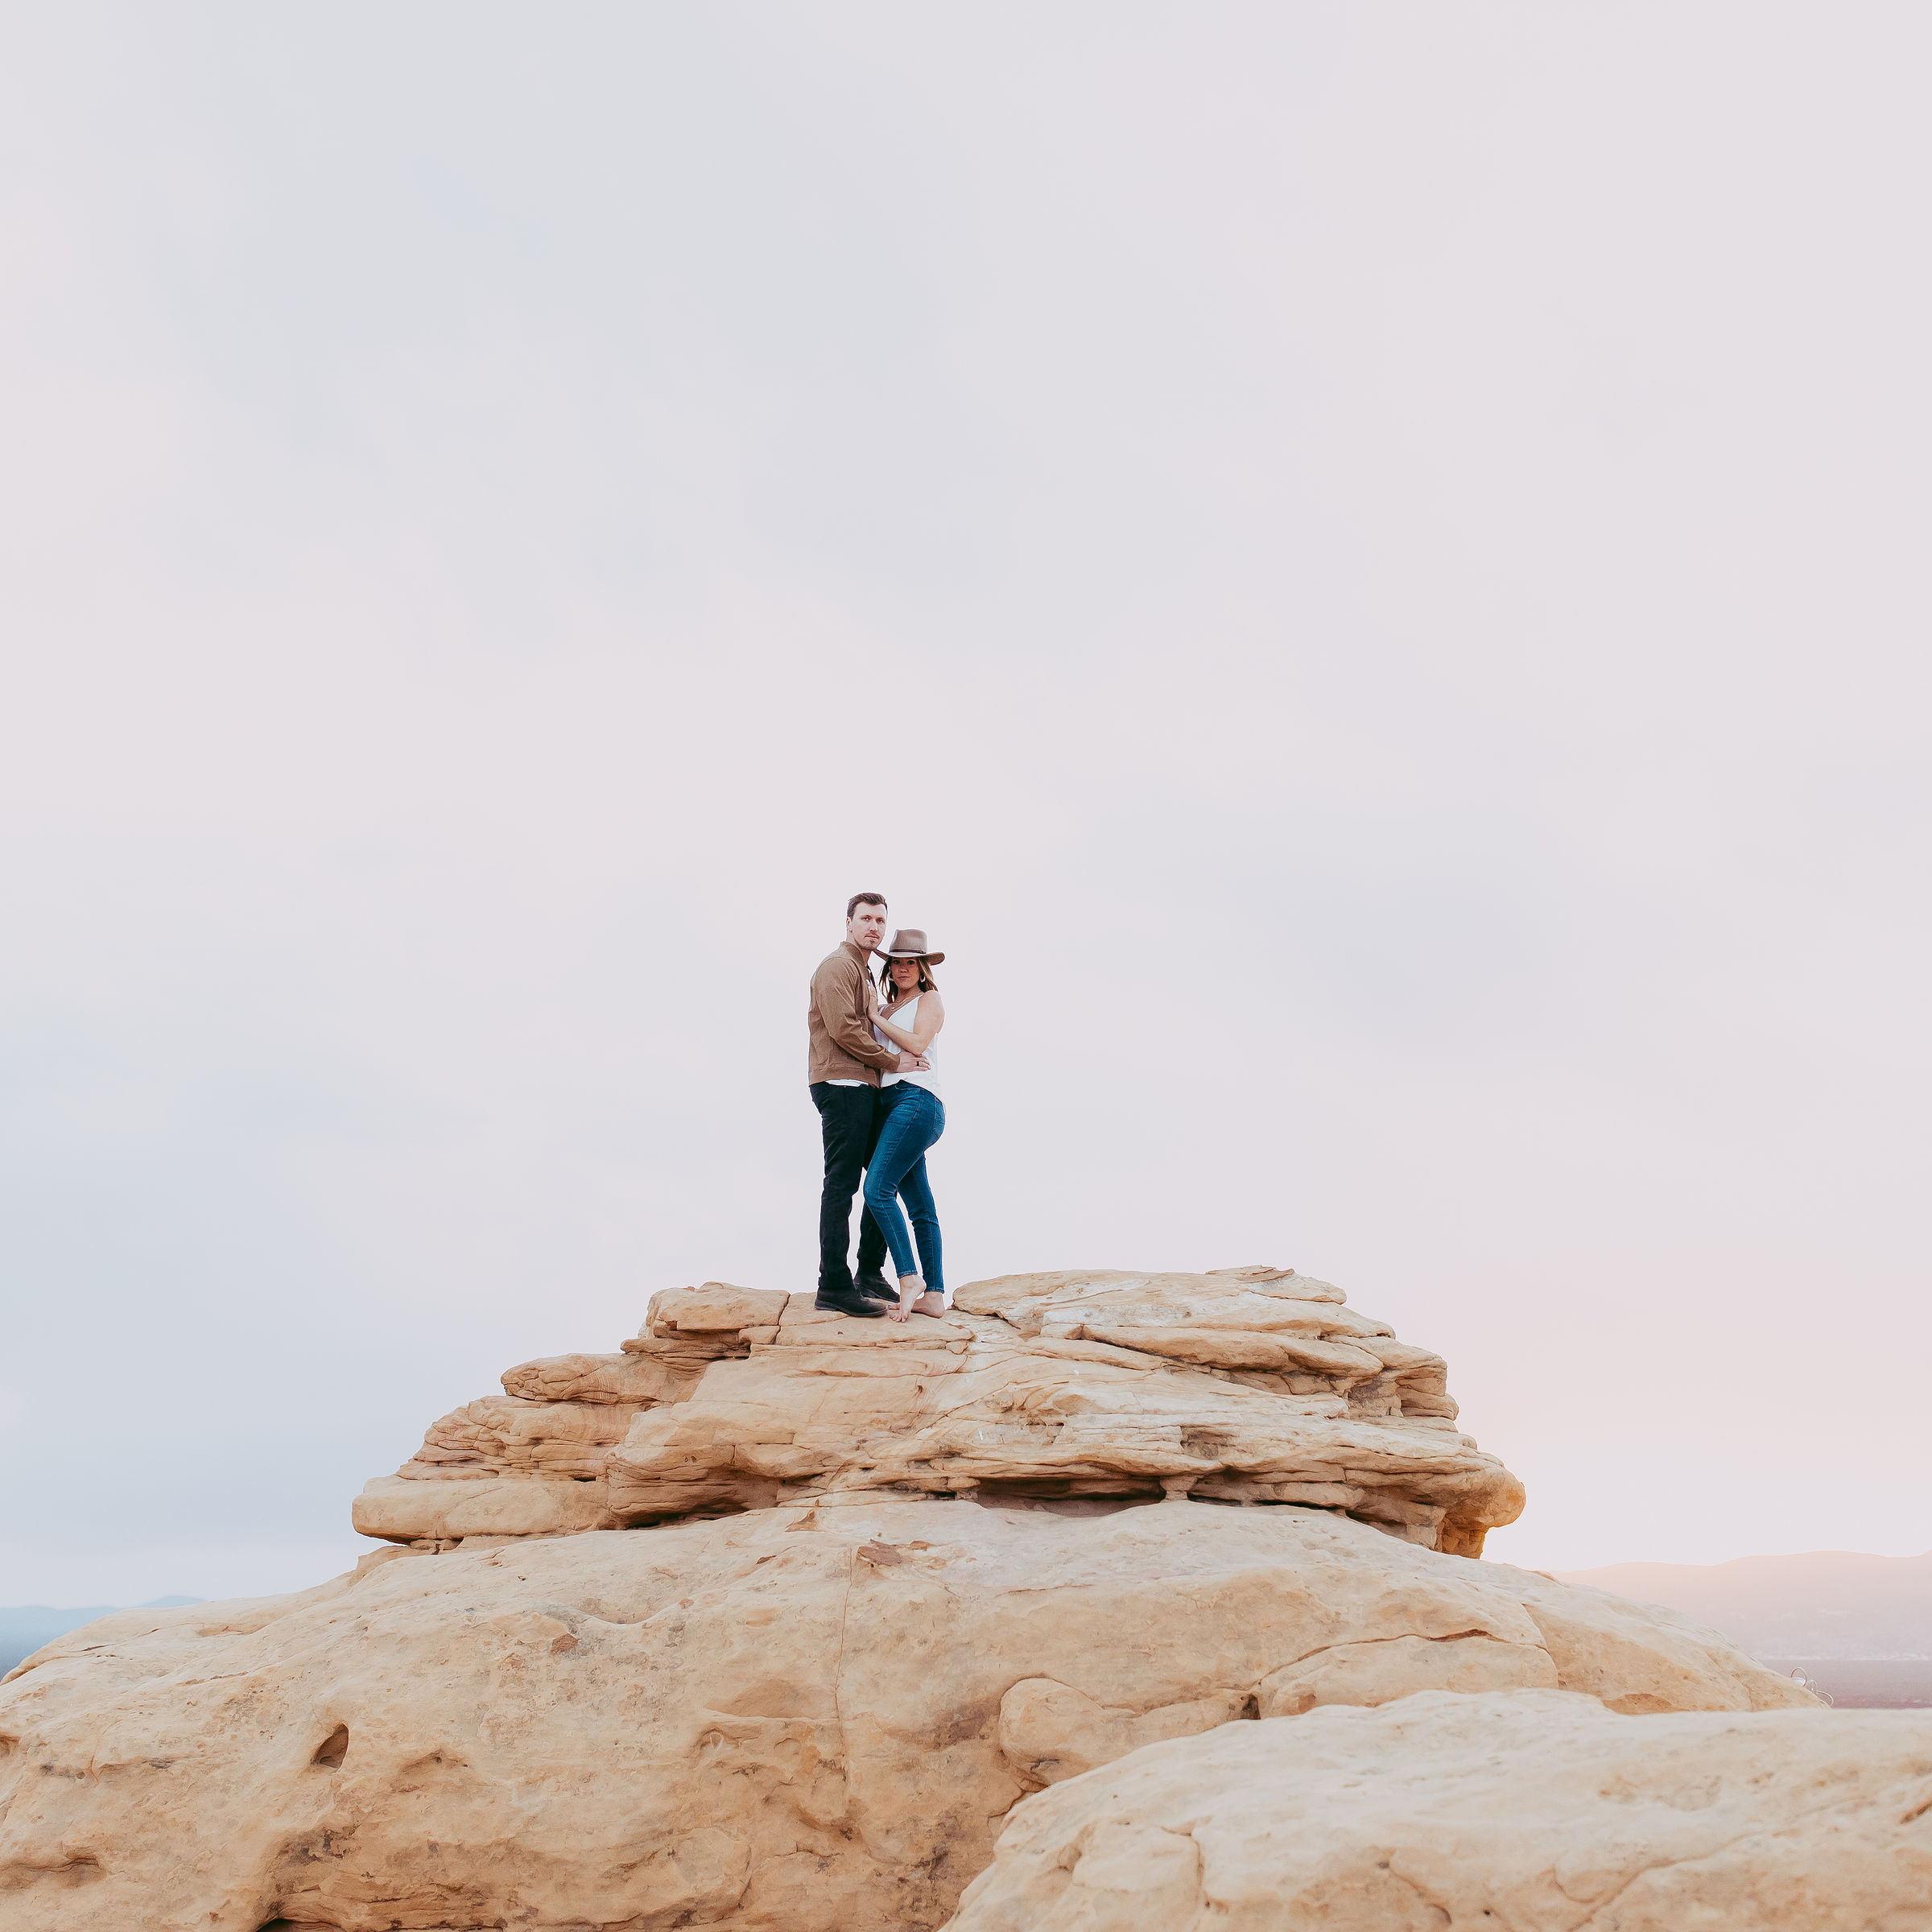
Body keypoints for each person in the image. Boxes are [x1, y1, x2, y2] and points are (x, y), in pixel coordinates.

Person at [807, 893, 928, 1317]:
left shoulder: (865, 971)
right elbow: (843, 1030)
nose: (874, 927)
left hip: (863, 1087)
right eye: (866, 919)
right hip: (841, 1084)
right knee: (842, 1185)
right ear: (848, 923)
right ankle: (833, 1284)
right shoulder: (837, 967)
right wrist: (895, 1061)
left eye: (880, 920)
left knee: (881, 1177)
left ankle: (869, 1272)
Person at [864, 929, 948, 1323]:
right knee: (920, 1205)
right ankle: (934, 1294)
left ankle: (908, 1276)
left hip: (917, 1101)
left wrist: (875, 1018)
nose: (902, 969)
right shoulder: (884, 1008)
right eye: (896, 962)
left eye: (910, 962)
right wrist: (875, 1016)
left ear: (923, 967)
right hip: (890, 1104)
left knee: (877, 1190)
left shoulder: (930, 999)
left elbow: (916, 1044)